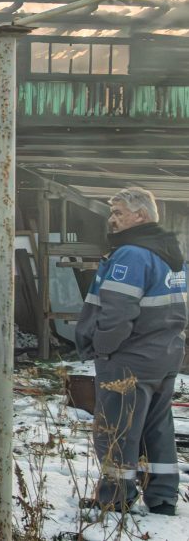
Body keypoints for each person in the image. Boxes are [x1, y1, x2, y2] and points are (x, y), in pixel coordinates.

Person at [74, 187, 186, 515]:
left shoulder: (131, 254)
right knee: (157, 428)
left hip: (129, 358)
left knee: (116, 428)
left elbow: (116, 313)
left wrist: (103, 348)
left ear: (140, 216)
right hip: (165, 353)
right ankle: (163, 496)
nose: (112, 219)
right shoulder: (171, 251)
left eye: (119, 212)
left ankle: (115, 496)